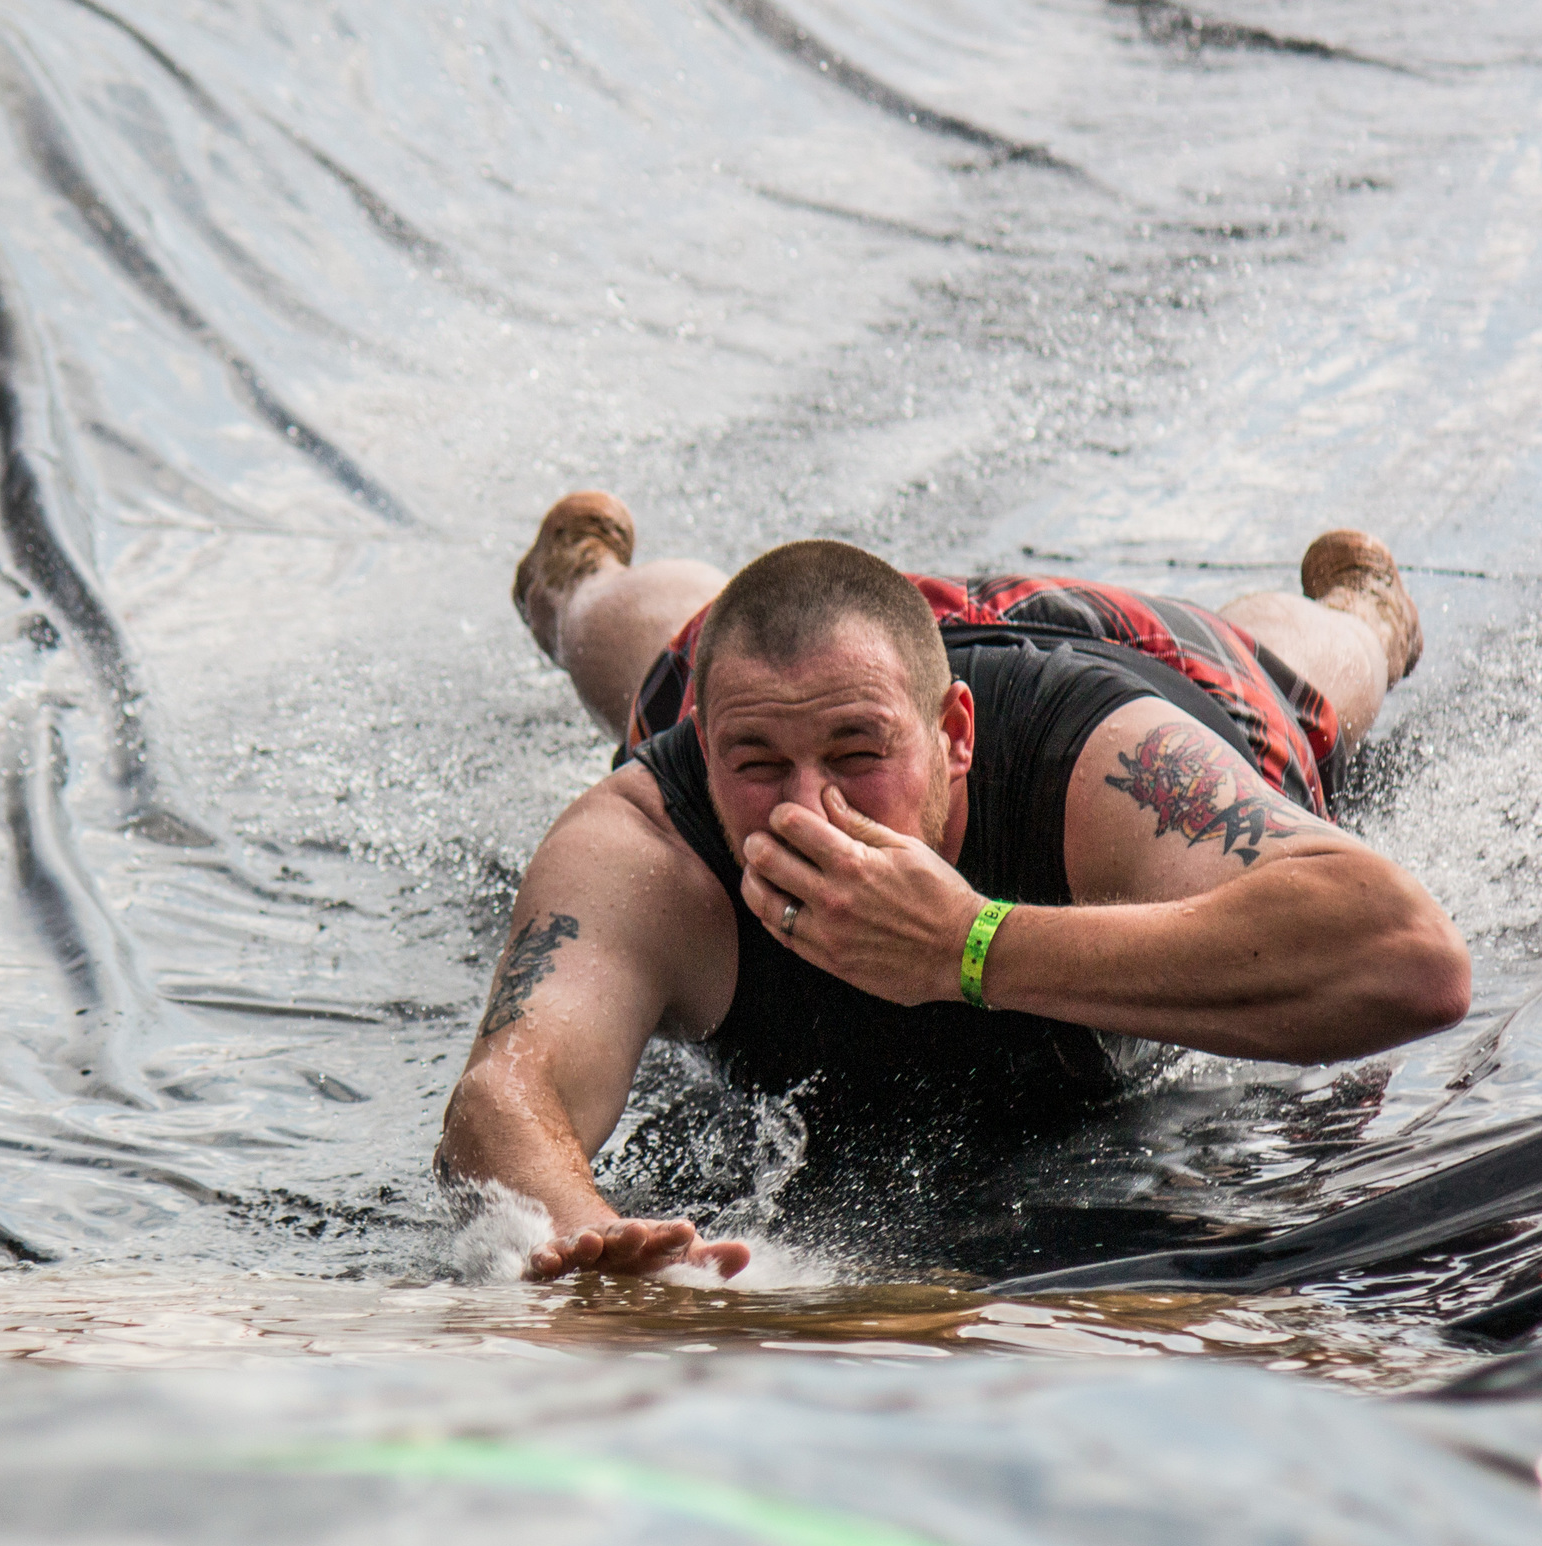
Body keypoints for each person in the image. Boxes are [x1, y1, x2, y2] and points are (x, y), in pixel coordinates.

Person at [435, 491, 1470, 1281]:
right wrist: (589, 1238)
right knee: (669, 654)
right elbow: (503, 1094)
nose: (808, 805)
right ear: (705, 753)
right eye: (755, 765)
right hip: (831, 664)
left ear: (954, 739)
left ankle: (1364, 613)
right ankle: (576, 587)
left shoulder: (1103, 769)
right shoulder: (649, 835)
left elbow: (1410, 959)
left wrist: (968, 944)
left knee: (1288, 683)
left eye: (857, 755)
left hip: (1131, 659)